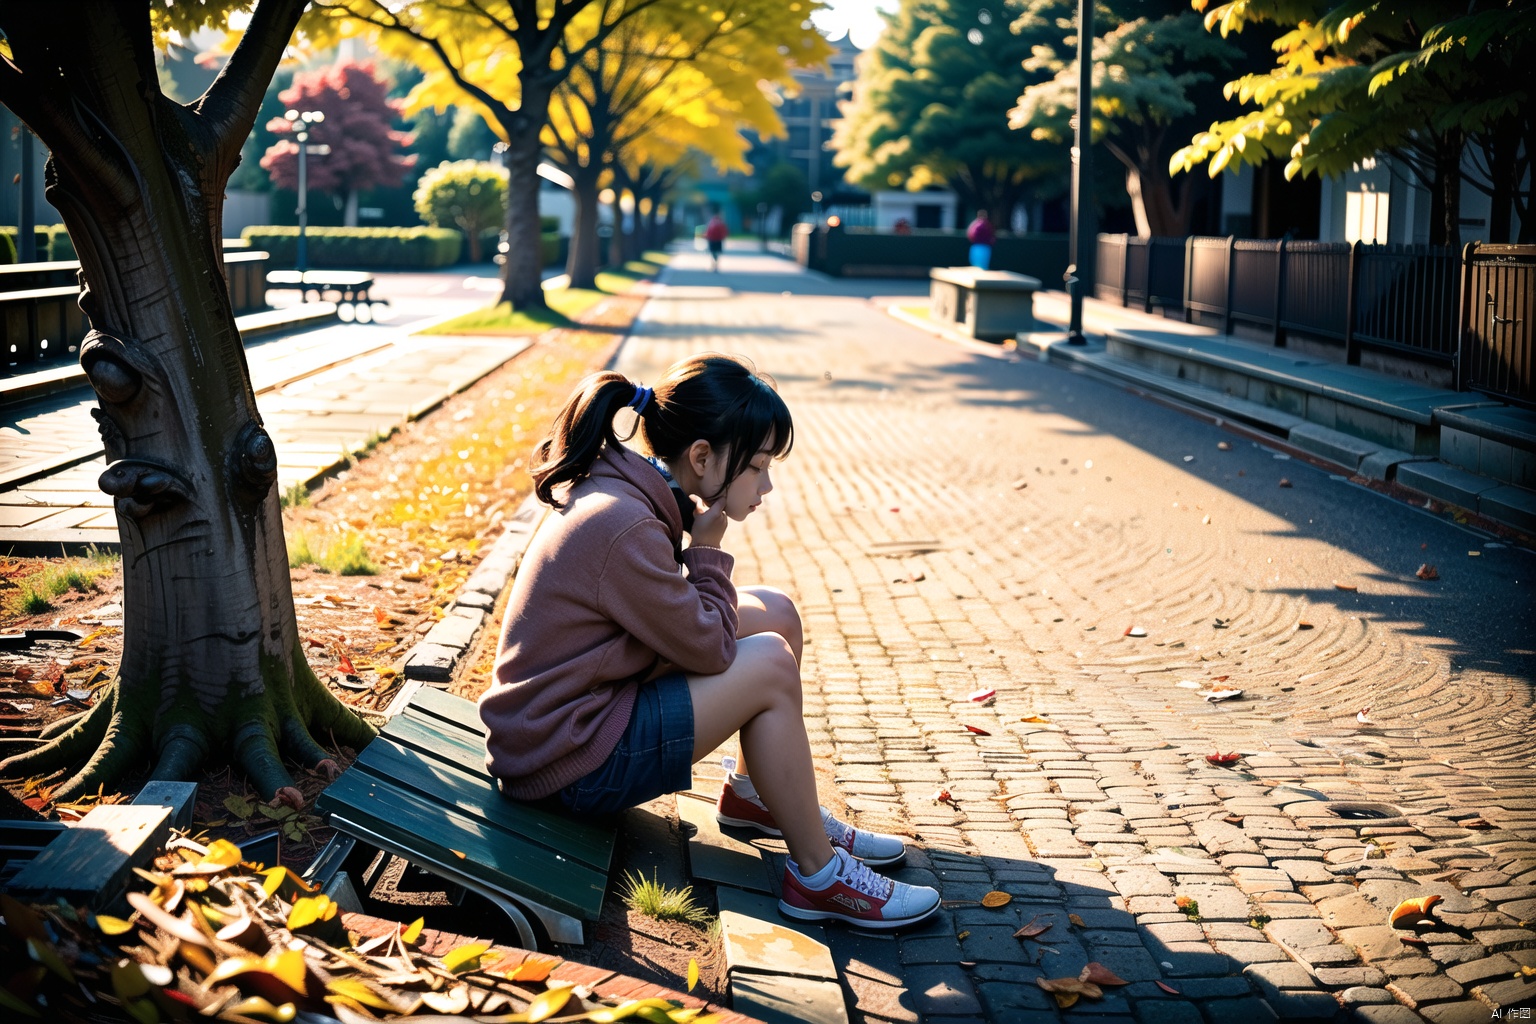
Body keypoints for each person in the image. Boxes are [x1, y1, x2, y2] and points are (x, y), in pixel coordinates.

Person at [480, 355, 941, 930]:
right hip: (569, 762)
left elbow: (687, 628)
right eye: (757, 466)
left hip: (576, 717)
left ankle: (754, 795)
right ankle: (819, 878)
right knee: (767, 662)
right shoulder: (626, 525)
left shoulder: (625, 490)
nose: (767, 486)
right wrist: (706, 550)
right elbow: (713, 648)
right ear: (702, 457)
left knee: (777, 612)